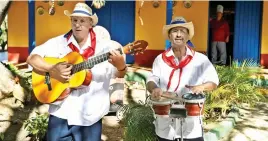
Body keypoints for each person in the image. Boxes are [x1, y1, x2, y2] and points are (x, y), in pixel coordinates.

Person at [26, 3, 127, 141]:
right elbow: (32, 58)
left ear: (90, 23)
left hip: (90, 117)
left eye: (82, 20)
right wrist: (52, 70)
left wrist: (121, 66)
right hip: (61, 114)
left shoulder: (106, 47)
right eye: (74, 20)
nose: (77, 25)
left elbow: (119, 75)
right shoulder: (57, 43)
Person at [146, 16, 219, 141]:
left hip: (192, 124)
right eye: (174, 31)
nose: (178, 35)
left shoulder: (200, 59)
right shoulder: (160, 59)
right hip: (165, 121)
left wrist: (202, 87)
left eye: (182, 31)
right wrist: (155, 88)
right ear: (169, 36)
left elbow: (214, 81)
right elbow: (151, 80)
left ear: (188, 36)